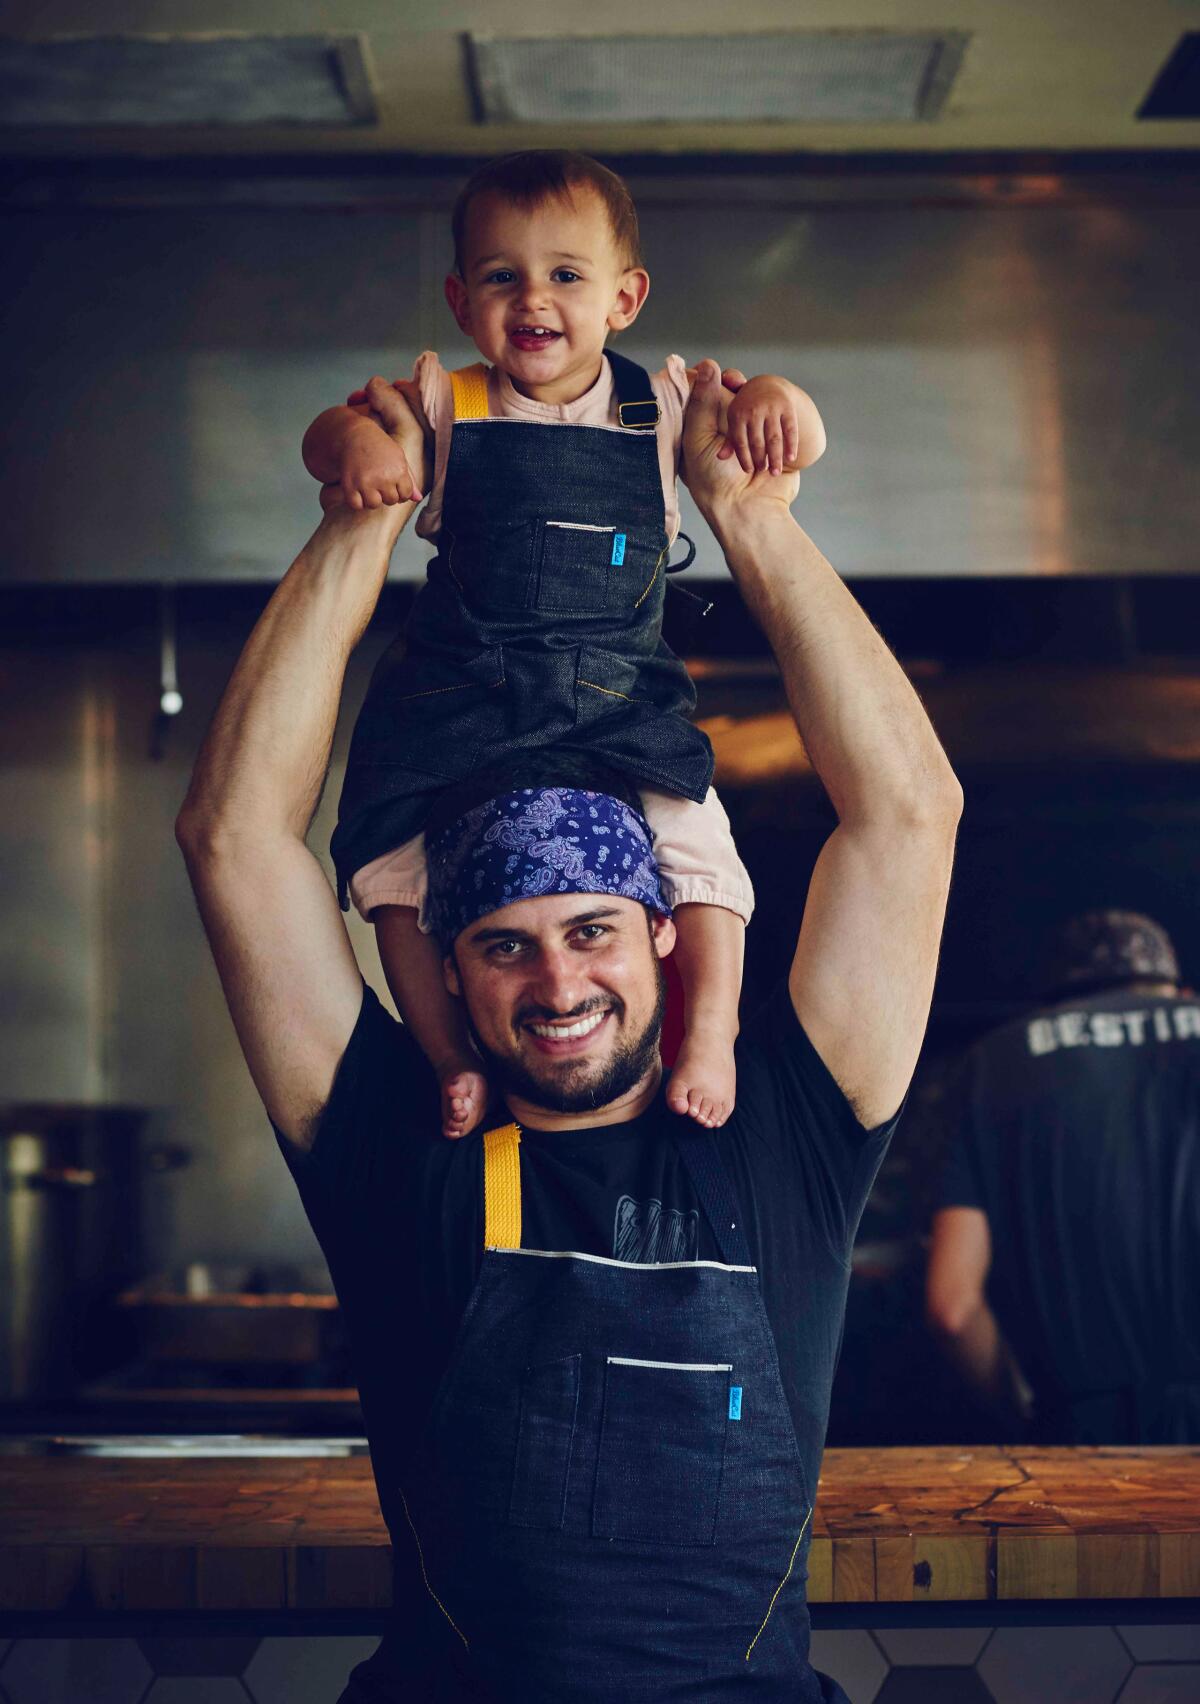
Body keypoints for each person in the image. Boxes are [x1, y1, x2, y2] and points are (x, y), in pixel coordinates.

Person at [176, 356, 962, 1703]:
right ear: (448, 964)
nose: (556, 981)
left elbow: (910, 815)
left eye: (593, 928)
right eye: (504, 945)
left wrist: (753, 521)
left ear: (666, 926)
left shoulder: (788, 1135)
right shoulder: (393, 1146)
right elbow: (236, 838)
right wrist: (363, 518)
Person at [300, 149, 827, 1140]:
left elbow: (797, 432)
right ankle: (450, 1058)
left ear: (625, 298)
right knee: (388, 867)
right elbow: (330, 431)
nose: (533, 298)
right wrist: (356, 448)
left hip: (618, 700)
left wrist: (775, 406)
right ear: (462, 301)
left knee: (699, 840)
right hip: (457, 699)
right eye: (503, 277)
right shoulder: (447, 403)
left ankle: (708, 1033)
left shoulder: (663, 408)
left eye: (566, 275)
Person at [927, 909, 1200, 1444]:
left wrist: (1028, 1417)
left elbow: (952, 1306)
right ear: (1178, 989)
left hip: (1084, 1437)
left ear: (1054, 998)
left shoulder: (995, 1062)